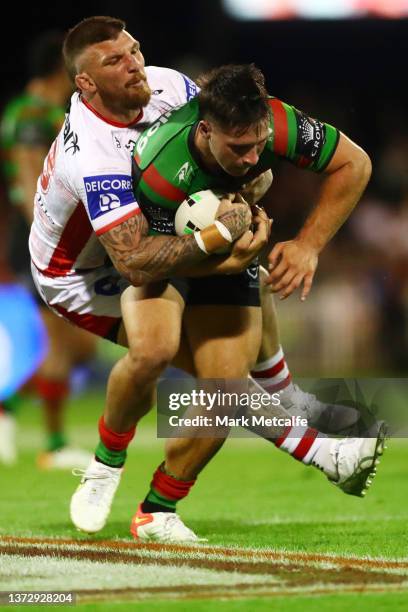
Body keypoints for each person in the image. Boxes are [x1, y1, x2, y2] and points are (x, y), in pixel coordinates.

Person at [28, 17, 384, 543]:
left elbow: (238, 150)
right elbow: (135, 263)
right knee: (153, 351)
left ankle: (158, 511)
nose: (135, 65)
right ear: (85, 83)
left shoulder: (174, 88)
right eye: (116, 61)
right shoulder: (97, 155)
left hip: (170, 234)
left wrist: (275, 222)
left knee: (224, 385)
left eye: (135, 50)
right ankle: (107, 463)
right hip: (87, 269)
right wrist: (218, 242)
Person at [0, 31, 95, 469]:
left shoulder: (41, 110)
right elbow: (26, 177)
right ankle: (53, 444)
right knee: (60, 343)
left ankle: (6, 412)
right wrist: (46, 230)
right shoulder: (34, 114)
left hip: (47, 237)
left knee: (77, 347)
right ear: (65, 67)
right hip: (42, 237)